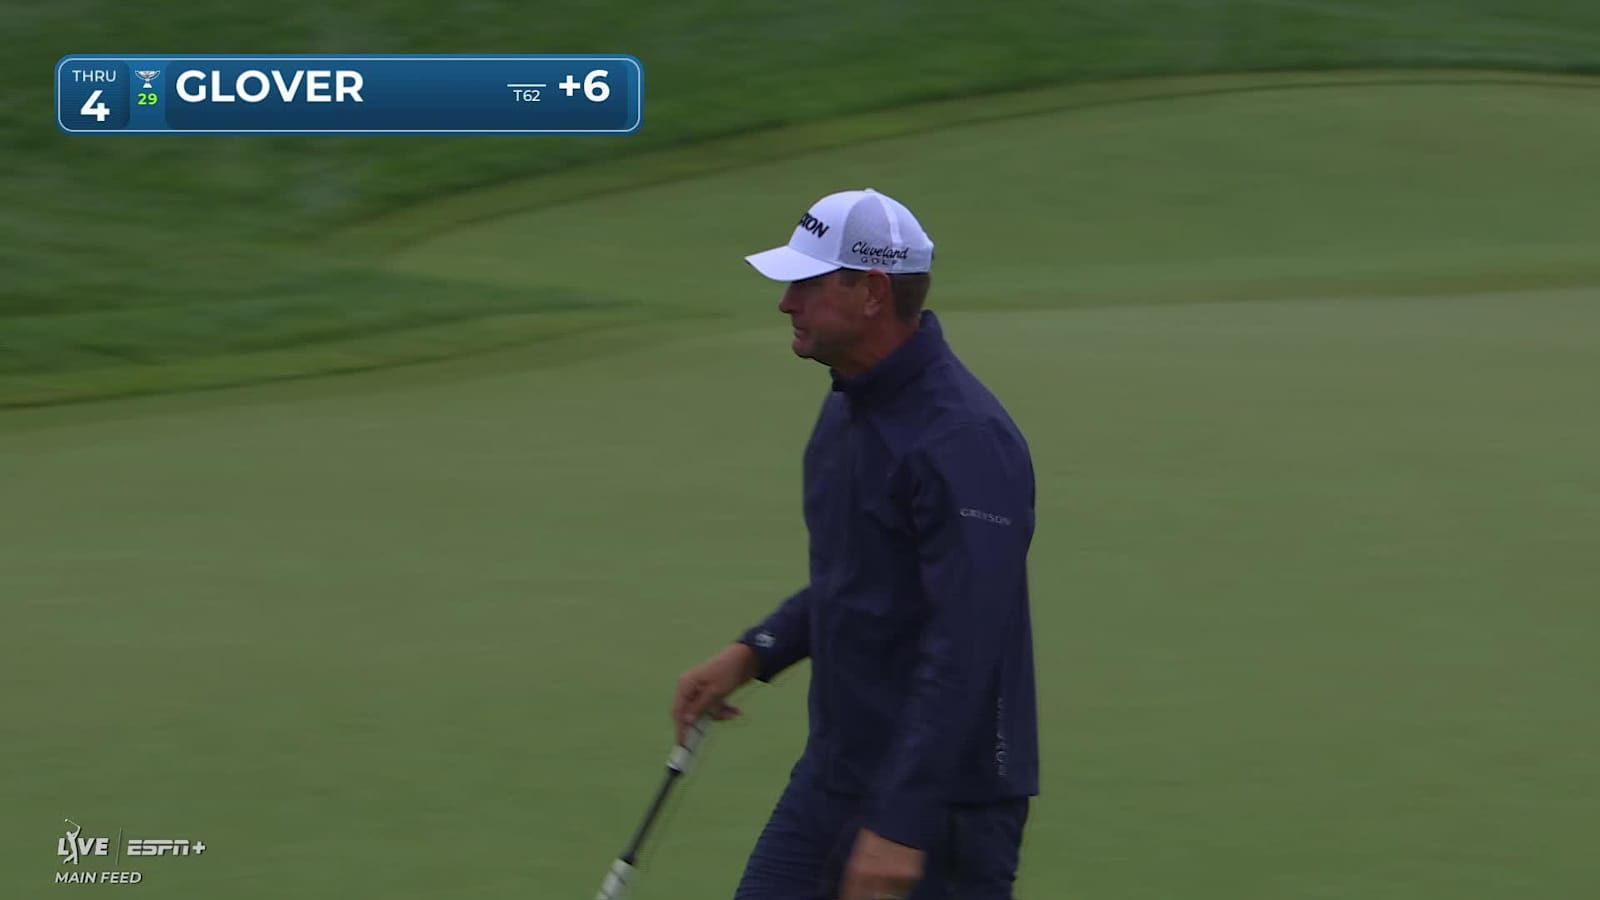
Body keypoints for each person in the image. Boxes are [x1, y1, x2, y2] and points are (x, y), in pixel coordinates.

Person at [673, 188, 1039, 900]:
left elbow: (967, 643)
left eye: (806, 284)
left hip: (947, 807)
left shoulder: (966, 441)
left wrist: (902, 824)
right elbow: (863, 578)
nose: (786, 303)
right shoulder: (848, 408)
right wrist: (758, 649)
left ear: (872, 292)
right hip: (836, 777)